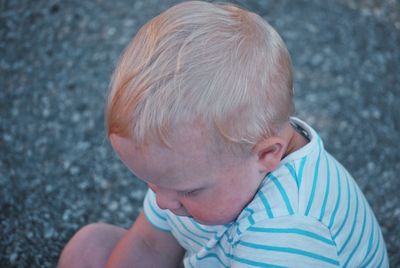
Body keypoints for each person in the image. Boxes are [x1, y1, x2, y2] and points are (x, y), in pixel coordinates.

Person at [58, 1, 389, 267]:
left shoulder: (285, 232)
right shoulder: (186, 171)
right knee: (90, 246)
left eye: (186, 191)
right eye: (152, 183)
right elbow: (149, 243)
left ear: (267, 155)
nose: (162, 201)